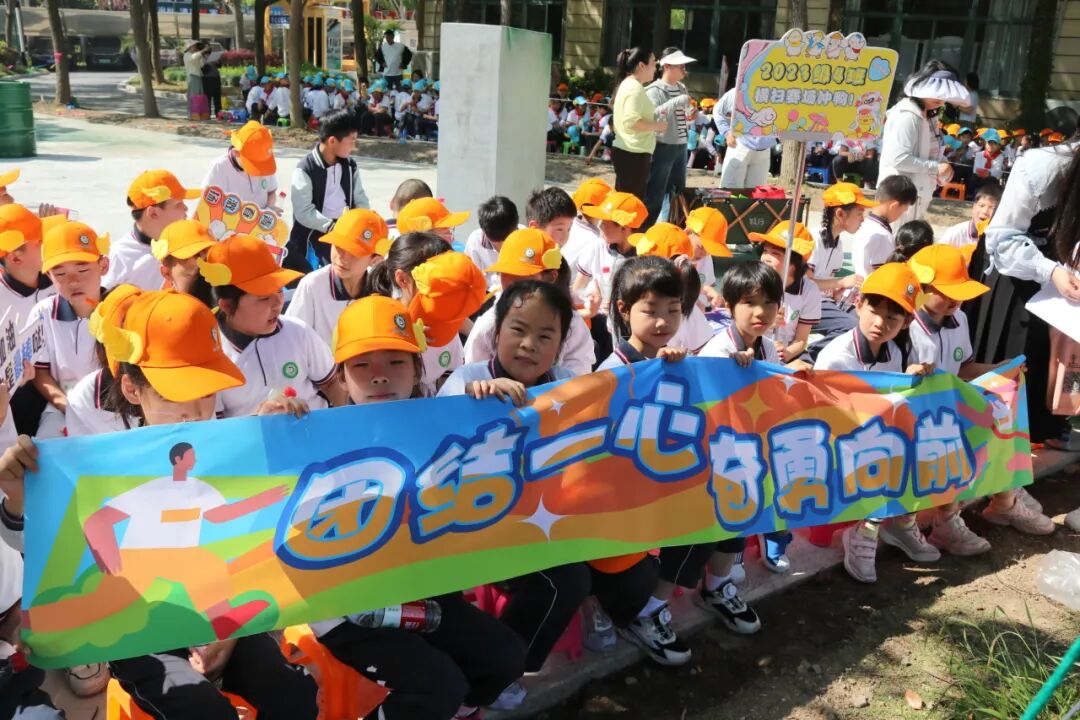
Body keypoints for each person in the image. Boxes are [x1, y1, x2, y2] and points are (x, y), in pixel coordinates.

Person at [1, 289, 323, 720]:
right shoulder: (97, 463)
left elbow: (255, 533)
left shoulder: (231, 445)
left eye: (207, 392)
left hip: (222, 612)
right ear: (132, 389)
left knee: (296, 695)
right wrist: (19, 498)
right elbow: (53, 547)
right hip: (136, 628)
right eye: (173, 395)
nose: (194, 412)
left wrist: (279, 441)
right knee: (202, 710)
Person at [310, 294, 527, 720]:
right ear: (340, 377)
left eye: (396, 362)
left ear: (417, 369)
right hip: (346, 609)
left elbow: (495, 457)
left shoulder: (442, 425)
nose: (379, 376)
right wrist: (269, 425)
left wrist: (489, 405)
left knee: (506, 657)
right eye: (361, 365)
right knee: (437, 685)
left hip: (422, 589)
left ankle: (457, 711)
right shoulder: (310, 437)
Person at [438, 281, 589, 710]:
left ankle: (510, 668)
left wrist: (669, 366)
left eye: (545, 335)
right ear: (496, 331)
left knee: (571, 580)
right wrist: (473, 403)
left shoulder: (566, 385)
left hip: (538, 521)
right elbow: (438, 444)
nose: (529, 345)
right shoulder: (467, 380)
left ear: (561, 344)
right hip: (472, 528)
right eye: (518, 330)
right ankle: (485, 676)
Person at [906, 245, 1055, 550]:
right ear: (922, 288)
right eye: (947, 292)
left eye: (959, 292)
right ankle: (949, 520)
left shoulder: (959, 319)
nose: (955, 300)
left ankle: (1005, 496)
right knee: (963, 436)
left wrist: (998, 369)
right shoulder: (907, 327)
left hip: (951, 406)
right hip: (921, 419)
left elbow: (964, 368)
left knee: (1001, 414)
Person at [593, 255, 698, 666]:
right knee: (631, 571)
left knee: (710, 522)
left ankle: (650, 610)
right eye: (650, 310)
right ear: (624, 310)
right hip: (618, 505)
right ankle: (629, 613)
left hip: (659, 486)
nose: (663, 322)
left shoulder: (672, 363)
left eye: (673, 310)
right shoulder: (610, 373)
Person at [815, 263, 940, 583]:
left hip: (873, 439)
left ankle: (902, 522)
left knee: (931, 444)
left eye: (893, 318)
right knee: (890, 453)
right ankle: (865, 530)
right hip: (837, 446)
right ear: (858, 305)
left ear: (907, 322)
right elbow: (827, 419)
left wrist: (910, 381)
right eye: (874, 311)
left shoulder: (895, 352)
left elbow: (890, 405)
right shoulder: (836, 357)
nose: (880, 323)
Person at [964, 134, 1080, 446]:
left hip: (1063, 274)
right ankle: (994, 436)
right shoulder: (1041, 166)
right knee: (1014, 358)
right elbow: (1002, 237)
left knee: (1053, 356)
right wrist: (1050, 270)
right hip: (1015, 274)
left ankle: (1044, 428)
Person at [198, 234, 345, 417]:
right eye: (264, 298)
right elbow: (217, 427)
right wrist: (259, 421)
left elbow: (332, 383)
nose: (278, 304)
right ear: (227, 306)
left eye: (279, 290)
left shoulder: (298, 333)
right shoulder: (210, 358)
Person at [463, 228, 594, 375]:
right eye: (505, 273)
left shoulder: (572, 325)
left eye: (545, 336)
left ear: (551, 277)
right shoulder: (487, 325)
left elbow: (580, 381)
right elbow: (472, 377)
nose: (511, 282)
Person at [362, 236, 486, 391]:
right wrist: (400, 343)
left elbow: (447, 384)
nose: (446, 290)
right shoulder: (373, 323)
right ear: (403, 279)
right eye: (436, 281)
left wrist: (466, 388)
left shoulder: (446, 325)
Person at [29, 221, 110, 438]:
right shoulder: (43, 313)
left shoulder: (121, 309)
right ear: (49, 276)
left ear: (103, 266)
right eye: (60, 274)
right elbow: (40, 372)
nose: (73, 281)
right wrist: (68, 407)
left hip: (113, 408)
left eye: (82, 269)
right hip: (62, 408)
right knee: (47, 451)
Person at [878, 60, 969, 223]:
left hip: (917, 195)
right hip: (899, 197)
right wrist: (936, 167)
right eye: (937, 91)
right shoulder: (906, 116)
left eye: (945, 94)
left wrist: (943, 166)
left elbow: (931, 152)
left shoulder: (930, 116)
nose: (941, 98)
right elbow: (898, 158)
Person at [285, 208, 390, 347]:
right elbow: (292, 338)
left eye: (354, 252)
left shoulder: (382, 288)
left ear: (375, 260)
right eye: (338, 246)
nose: (342, 257)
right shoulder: (313, 285)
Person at [287, 109, 371, 273]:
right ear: (332, 141)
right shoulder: (305, 169)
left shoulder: (350, 166)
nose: (354, 147)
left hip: (346, 230)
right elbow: (303, 212)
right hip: (317, 231)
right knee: (329, 273)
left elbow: (360, 198)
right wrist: (332, 227)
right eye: (351, 141)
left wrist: (363, 220)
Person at [106, 170, 200, 291]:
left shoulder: (191, 245)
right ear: (153, 213)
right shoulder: (120, 256)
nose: (186, 208)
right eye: (178, 204)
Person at [750, 222, 820, 367]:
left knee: (806, 369)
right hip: (753, 346)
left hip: (788, 350)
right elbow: (740, 328)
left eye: (775, 253)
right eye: (765, 251)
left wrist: (786, 353)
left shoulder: (809, 290)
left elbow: (801, 340)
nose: (765, 258)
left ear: (793, 264)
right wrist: (766, 324)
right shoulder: (752, 281)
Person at [643, 48, 695, 226]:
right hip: (663, 146)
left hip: (681, 145)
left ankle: (669, 227)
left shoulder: (682, 87)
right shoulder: (653, 90)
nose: (684, 70)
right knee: (656, 193)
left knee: (677, 191)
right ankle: (646, 229)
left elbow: (683, 113)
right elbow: (653, 115)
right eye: (680, 66)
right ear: (666, 66)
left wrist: (690, 114)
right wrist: (676, 102)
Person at [611, 47, 669, 200]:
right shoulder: (634, 88)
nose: (656, 67)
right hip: (633, 154)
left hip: (631, 152)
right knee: (629, 205)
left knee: (625, 202)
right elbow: (632, 122)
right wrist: (658, 126)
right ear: (641, 66)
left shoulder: (630, 85)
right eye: (653, 62)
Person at [849, 175, 919, 278]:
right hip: (873, 285)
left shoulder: (865, 225)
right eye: (904, 210)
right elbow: (886, 275)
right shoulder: (882, 235)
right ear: (894, 206)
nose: (902, 214)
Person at [201, 121, 278, 211]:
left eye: (261, 163)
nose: (259, 168)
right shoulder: (220, 167)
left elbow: (271, 192)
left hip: (261, 218)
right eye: (254, 164)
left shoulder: (266, 162)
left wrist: (270, 208)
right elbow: (207, 203)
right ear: (236, 153)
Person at [714, 87, 777, 189]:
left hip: (764, 149)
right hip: (740, 144)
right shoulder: (739, 90)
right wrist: (727, 133)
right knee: (730, 189)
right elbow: (718, 111)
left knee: (756, 191)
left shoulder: (778, 91)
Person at [464, 196, 520, 292]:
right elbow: (472, 280)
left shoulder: (526, 237)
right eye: (497, 242)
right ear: (484, 232)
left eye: (507, 240)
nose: (502, 246)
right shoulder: (475, 241)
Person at [938, 183, 1000, 248]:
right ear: (974, 207)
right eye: (981, 205)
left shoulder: (1001, 238)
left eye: (992, 208)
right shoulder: (956, 233)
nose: (985, 211)